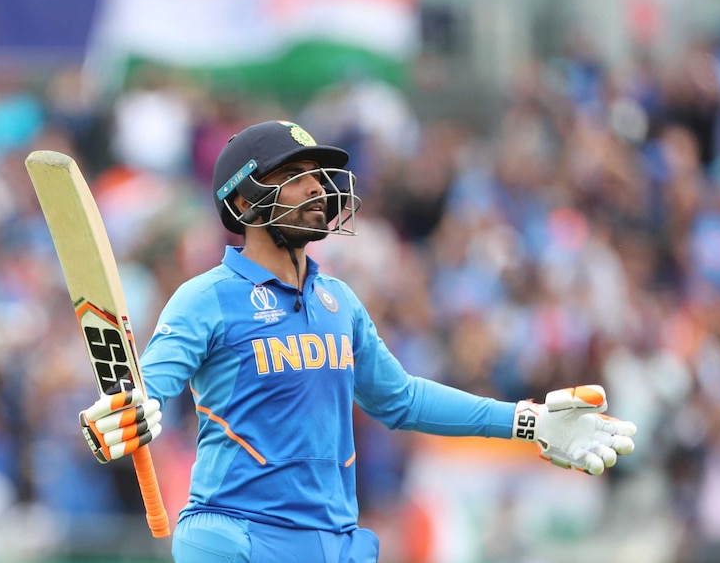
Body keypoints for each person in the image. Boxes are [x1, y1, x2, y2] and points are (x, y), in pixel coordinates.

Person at [78, 120, 637, 562]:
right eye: (293, 174)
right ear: (243, 204)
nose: (317, 186)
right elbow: (149, 386)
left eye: (318, 174)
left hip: (335, 541)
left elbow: (402, 400)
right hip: (237, 538)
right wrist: (130, 412)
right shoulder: (207, 297)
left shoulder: (338, 301)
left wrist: (529, 420)